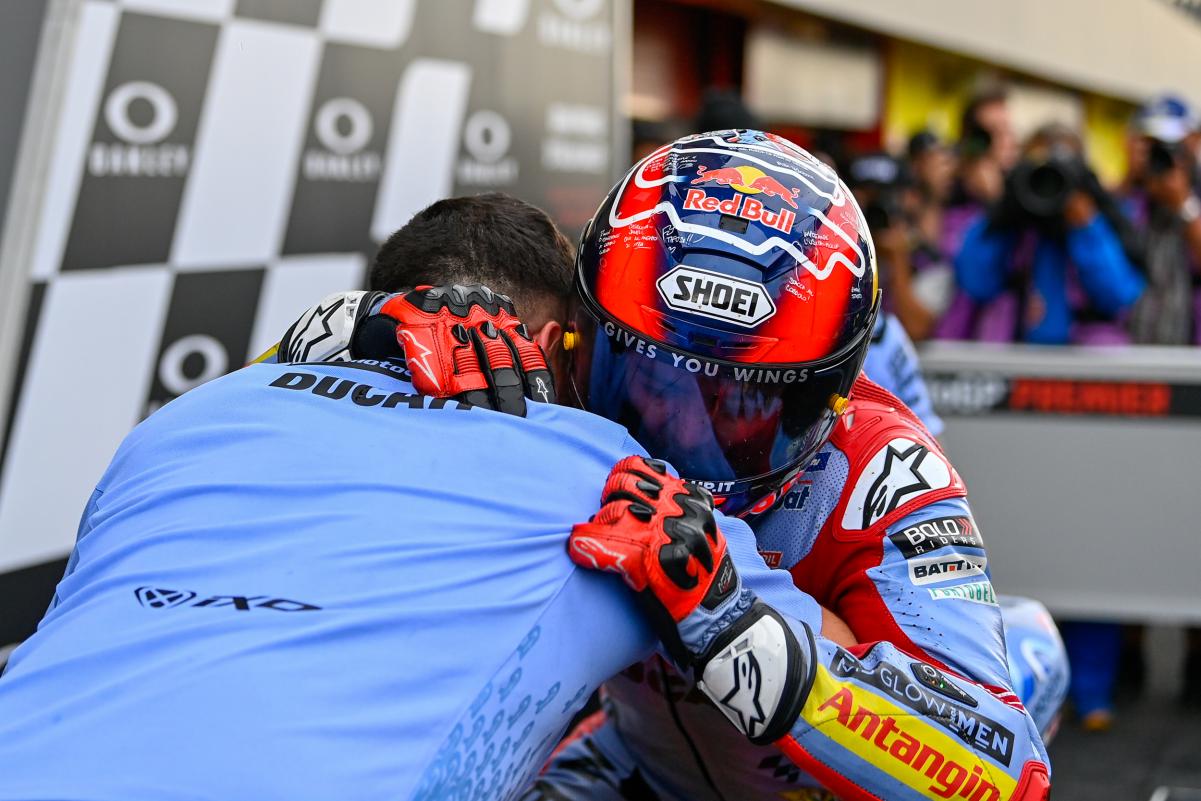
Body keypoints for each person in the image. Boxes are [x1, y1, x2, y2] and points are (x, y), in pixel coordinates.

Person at [0, 210, 823, 799]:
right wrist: (724, 615)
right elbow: (880, 716)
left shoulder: (184, 420)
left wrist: (325, 333)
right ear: (550, 346)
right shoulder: (603, 470)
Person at [954, 124, 1145, 345]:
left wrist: (1087, 226)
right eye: (1039, 173)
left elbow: (1118, 296)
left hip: (1085, 358)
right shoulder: (1012, 223)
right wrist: (1004, 212)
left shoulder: (1104, 220)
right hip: (1015, 355)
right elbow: (976, 283)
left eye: (1060, 172)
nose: (1049, 185)